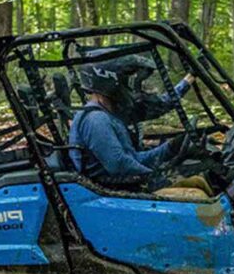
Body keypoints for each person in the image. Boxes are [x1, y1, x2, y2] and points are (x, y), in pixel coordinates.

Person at [68, 55, 207, 195]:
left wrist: (170, 148)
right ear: (110, 80)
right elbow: (119, 164)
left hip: (122, 186)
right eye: (127, 79)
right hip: (111, 193)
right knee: (198, 196)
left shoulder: (111, 114)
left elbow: (134, 158)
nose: (131, 86)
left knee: (198, 181)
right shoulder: (97, 119)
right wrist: (156, 177)